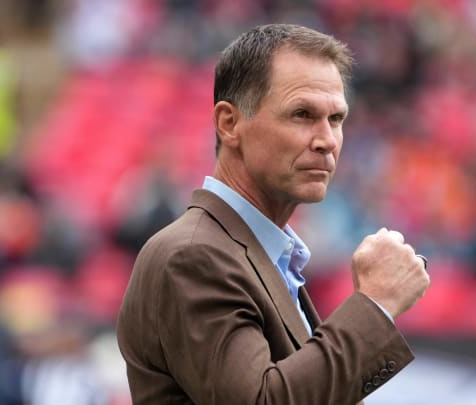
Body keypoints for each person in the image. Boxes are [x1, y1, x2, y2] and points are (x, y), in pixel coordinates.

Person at [116, 23, 430, 405]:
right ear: (229, 124)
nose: (327, 141)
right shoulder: (194, 255)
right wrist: (376, 304)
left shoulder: (264, 256)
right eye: (302, 114)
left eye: (336, 119)